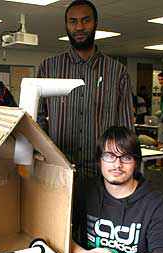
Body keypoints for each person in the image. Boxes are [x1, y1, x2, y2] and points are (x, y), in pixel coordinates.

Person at [37, 0, 134, 179]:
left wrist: (124, 170)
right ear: (66, 25)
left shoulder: (117, 72)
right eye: (73, 21)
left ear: (95, 23)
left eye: (85, 20)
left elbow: (125, 127)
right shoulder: (48, 68)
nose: (79, 27)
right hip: (59, 169)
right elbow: (37, 118)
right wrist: (43, 153)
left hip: (101, 171)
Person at [72, 126, 163, 253]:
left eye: (126, 157)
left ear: (136, 162)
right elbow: (58, 231)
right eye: (109, 156)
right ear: (99, 160)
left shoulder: (155, 202)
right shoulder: (85, 190)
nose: (117, 165)